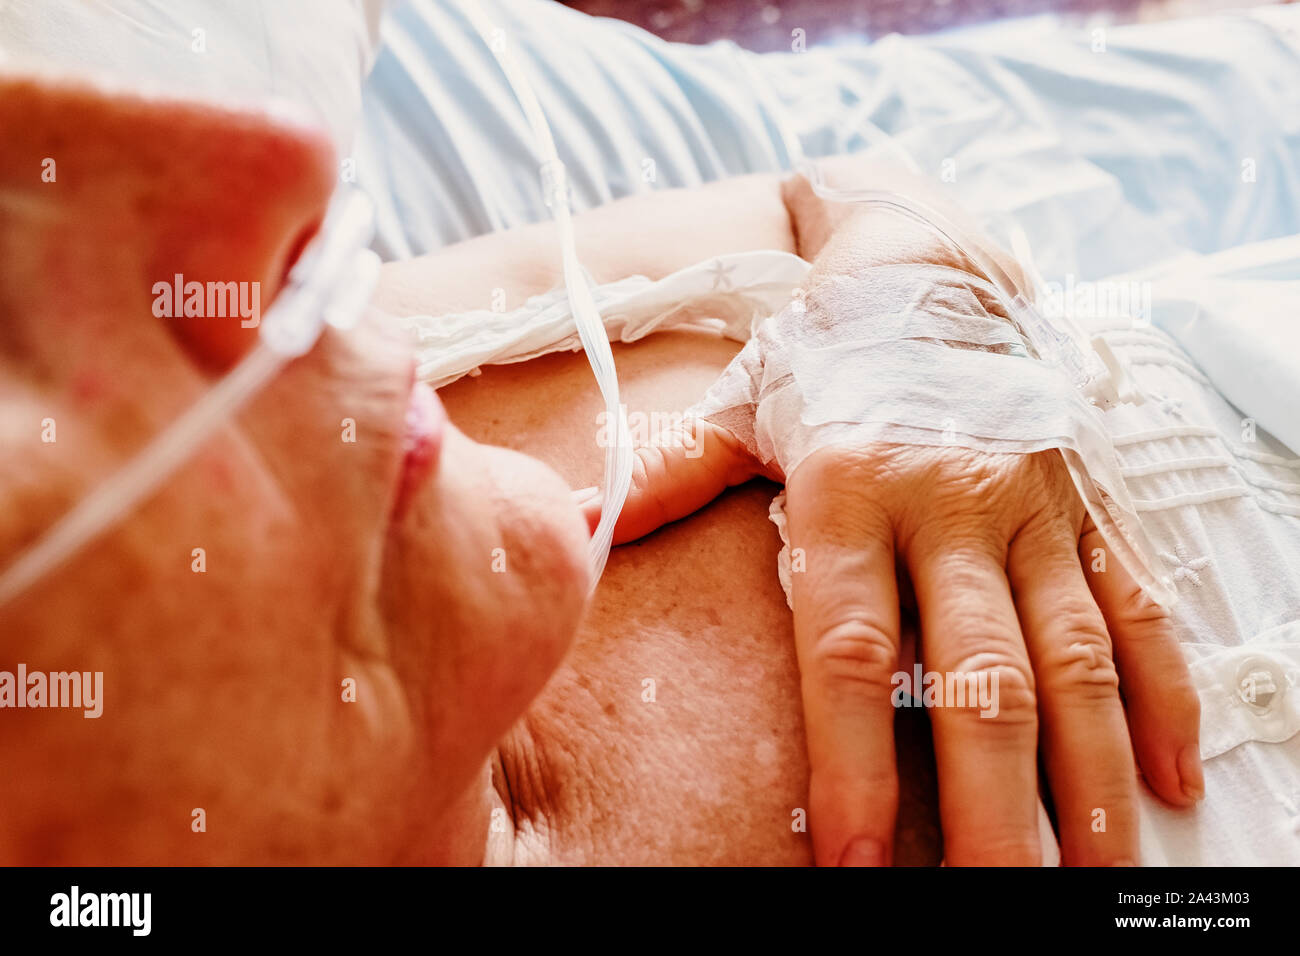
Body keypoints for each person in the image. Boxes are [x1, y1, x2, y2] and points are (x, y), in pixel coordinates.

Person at [0, 68, 1206, 864]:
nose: (292, 178)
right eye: (11, 349)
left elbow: (823, 191)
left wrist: (916, 307)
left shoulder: (417, 363)